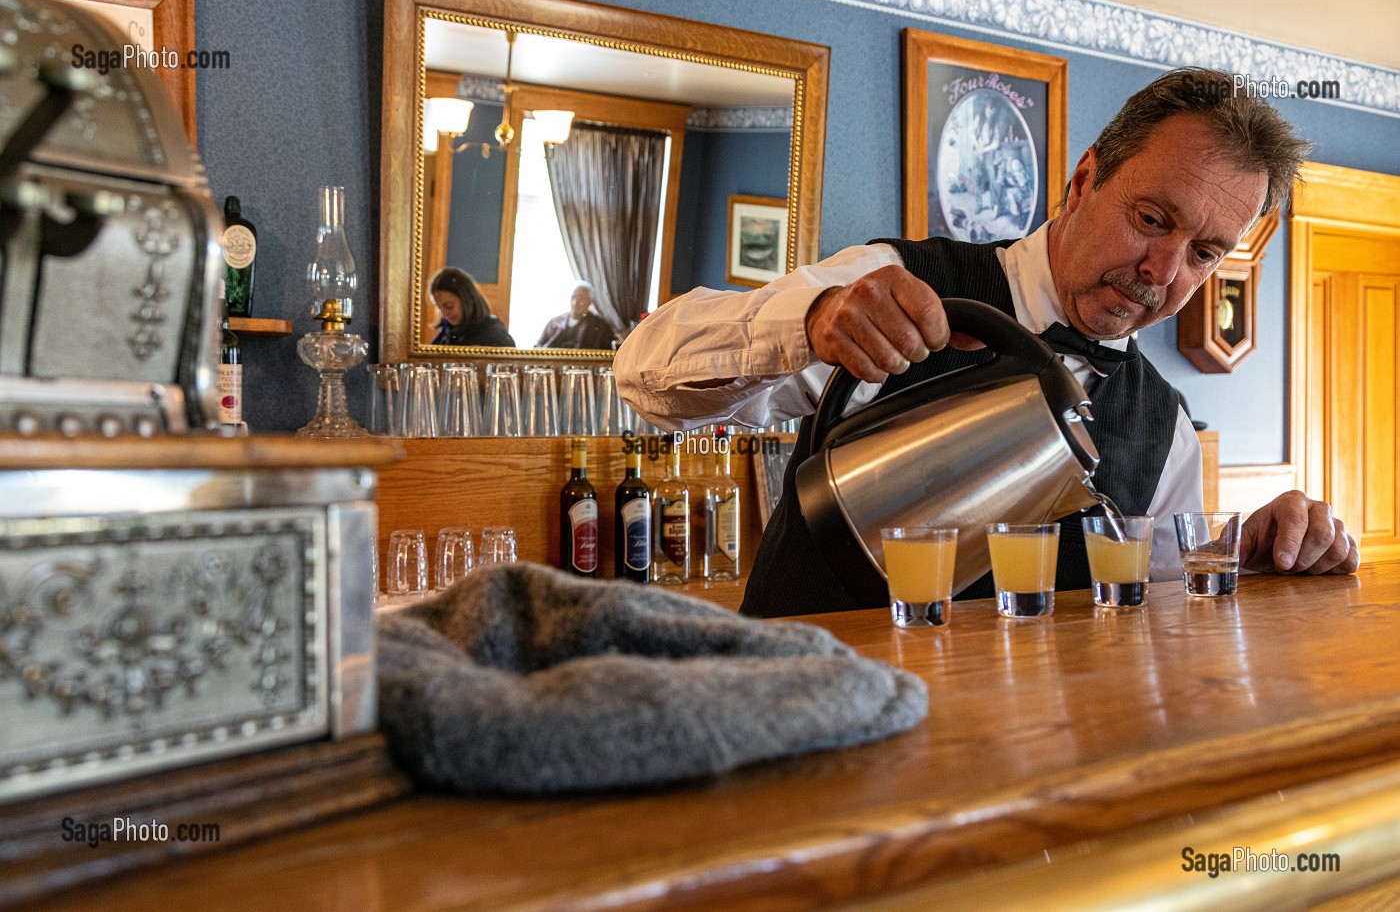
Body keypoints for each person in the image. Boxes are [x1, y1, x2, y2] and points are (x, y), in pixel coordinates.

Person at [615, 67, 1359, 619]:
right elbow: (642, 370)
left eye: (1204, 253)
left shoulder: (1167, 430)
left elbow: (1157, 620)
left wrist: (1248, 562)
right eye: (1153, 219)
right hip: (810, 731)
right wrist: (811, 320)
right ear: (1083, 180)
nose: (1160, 272)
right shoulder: (904, 282)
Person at [429, 267, 515, 347]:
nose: (443, 314)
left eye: (449, 306)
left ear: (466, 299)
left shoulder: (496, 337)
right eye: (439, 308)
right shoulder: (446, 334)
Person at [536, 281, 618, 350]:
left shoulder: (600, 326)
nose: (575, 303)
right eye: (573, 297)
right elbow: (538, 347)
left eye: (580, 298)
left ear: (590, 302)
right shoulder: (554, 323)